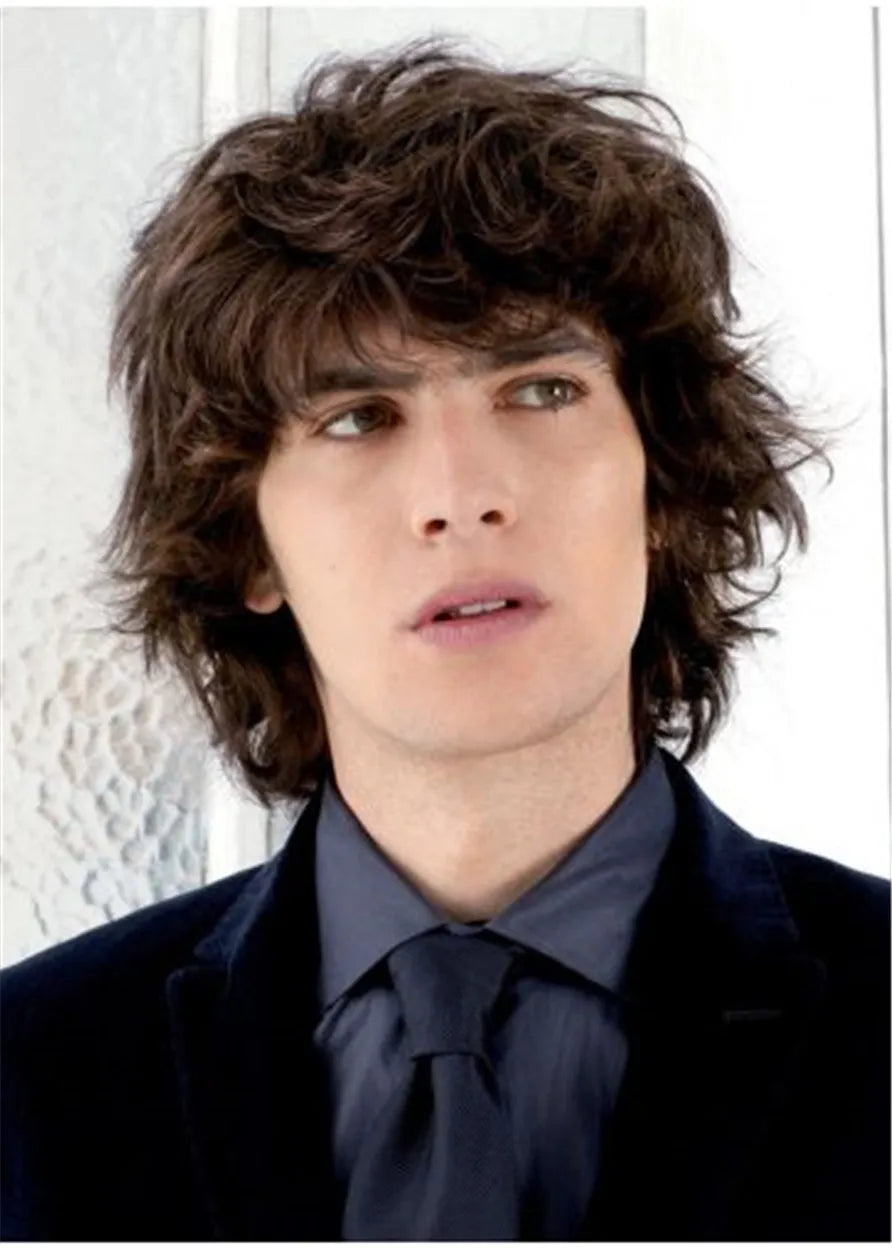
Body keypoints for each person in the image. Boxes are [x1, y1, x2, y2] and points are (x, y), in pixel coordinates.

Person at [1, 39, 889, 1243]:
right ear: (246, 543)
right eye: (358, 417)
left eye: (539, 389)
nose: (462, 495)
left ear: (665, 479)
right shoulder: (31, 1077)